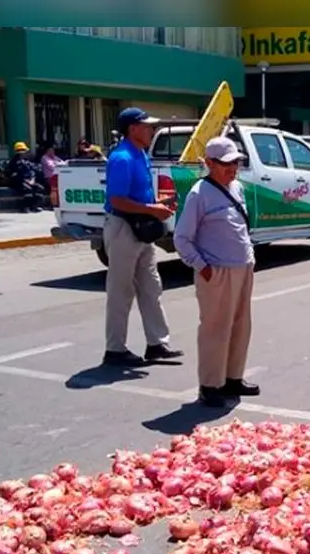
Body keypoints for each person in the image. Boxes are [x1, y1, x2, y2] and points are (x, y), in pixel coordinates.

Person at [174, 137, 260, 407]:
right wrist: (203, 267)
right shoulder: (200, 193)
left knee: (240, 325)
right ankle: (211, 385)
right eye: (226, 164)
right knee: (215, 328)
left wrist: (250, 257)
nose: (232, 168)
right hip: (216, 271)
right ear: (209, 164)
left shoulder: (237, 188)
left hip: (242, 268)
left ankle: (233, 377)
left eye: (235, 163)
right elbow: (182, 238)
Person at [102, 107, 183, 367]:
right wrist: (152, 209)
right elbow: (117, 200)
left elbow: (138, 197)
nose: (152, 130)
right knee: (121, 290)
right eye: (147, 126)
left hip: (140, 229)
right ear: (132, 129)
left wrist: (160, 203)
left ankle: (157, 344)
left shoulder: (140, 155)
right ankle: (115, 349)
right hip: (124, 228)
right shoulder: (122, 157)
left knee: (151, 286)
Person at [6, 141, 45, 213]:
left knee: (40, 188)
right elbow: (14, 175)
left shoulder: (26, 161)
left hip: (29, 180)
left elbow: (32, 171)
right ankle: (25, 207)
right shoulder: (13, 163)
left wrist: (32, 179)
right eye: (22, 151)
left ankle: (35, 206)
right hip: (18, 182)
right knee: (28, 189)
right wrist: (25, 181)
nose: (24, 153)